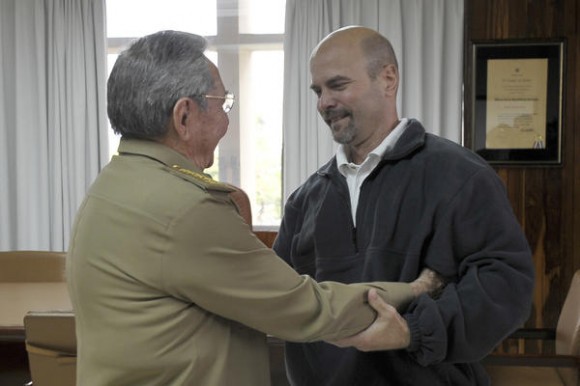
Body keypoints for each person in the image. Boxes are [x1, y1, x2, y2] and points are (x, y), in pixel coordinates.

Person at [65, 30, 444, 386]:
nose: (227, 118)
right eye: (222, 103)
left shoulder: (113, 185)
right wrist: (415, 288)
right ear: (184, 116)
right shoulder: (185, 208)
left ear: (388, 80)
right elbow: (304, 307)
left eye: (339, 85)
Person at [273, 26, 535, 385]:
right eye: (318, 91)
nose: (324, 103)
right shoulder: (304, 202)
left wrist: (412, 331)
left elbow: (507, 284)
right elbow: (282, 300)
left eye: (338, 85)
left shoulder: (460, 175)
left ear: (388, 79)